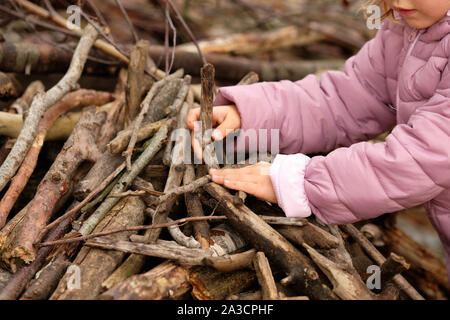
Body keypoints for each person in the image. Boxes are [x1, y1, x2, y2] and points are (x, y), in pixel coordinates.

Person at [186, 0, 450, 284]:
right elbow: (346, 99)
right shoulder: (406, 27)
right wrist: (253, 115)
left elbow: (427, 157)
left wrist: (303, 183)